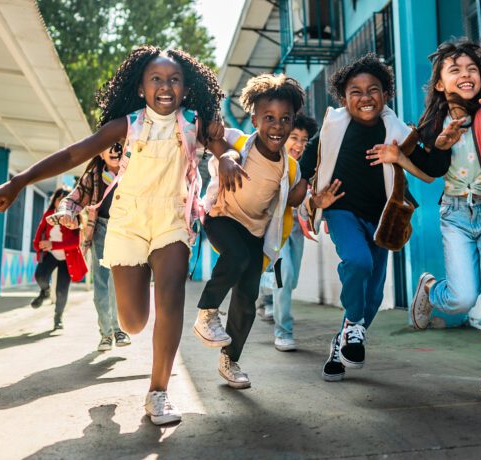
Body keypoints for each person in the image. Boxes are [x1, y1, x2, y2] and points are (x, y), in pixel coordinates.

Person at [0, 46, 230, 426]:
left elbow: (221, 145)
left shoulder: (193, 122)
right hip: (127, 222)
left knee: (171, 298)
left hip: (172, 219)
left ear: (186, 88)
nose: (165, 87)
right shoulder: (126, 125)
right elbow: (72, 155)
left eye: (174, 80)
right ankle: (132, 329)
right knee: (133, 322)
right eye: (156, 79)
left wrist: (225, 156)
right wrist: (19, 181)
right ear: (140, 87)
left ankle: (158, 393)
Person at [376, 39, 481, 405]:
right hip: (456, 214)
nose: (465, 75)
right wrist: (403, 156)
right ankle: (432, 291)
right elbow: (430, 175)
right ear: (441, 83)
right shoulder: (433, 122)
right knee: (462, 298)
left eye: (471, 68)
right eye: (455, 70)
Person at [297, 54, 450, 382]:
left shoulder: (398, 131)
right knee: (358, 261)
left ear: (386, 94)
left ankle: (343, 342)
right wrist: (313, 199)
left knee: (375, 295)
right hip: (341, 210)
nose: (365, 97)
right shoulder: (330, 129)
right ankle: (353, 325)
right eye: (356, 91)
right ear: (343, 97)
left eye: (373, 90)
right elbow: (300, 171)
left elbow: (431, 169)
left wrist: (438, 144)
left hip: (383, 218)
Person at [192, 74, 305, 388]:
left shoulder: (289, 167)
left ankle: (231, 359)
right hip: (221, 217)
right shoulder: (240, 142)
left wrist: (310, 196)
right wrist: (225, 157)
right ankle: (206, 312)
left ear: (293, 121)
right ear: (254, 118)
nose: (277, 126)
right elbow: (217, 139)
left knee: (246, 298)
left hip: (256, 233)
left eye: (285, 119)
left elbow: (296, 196)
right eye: (268, 118)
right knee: (236, 255)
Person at [55, 144, 131, 350]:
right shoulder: (94, 176)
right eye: (109, 147)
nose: (115, 150)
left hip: (126, 233)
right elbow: (73, 199)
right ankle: (106, 334)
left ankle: (119, 330)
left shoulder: (134, 171)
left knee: (119, 285)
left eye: (120, 146)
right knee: (101, 286)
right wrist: (66, 212)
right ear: (100, 152)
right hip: (101, 231)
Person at [269, 113, 318, 352]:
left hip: (297, 229)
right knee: (284, 275)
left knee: (291, 279)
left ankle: (266, 295)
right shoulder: (273, 161)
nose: (299, 145)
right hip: (274, 230)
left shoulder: (309, 166)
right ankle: (283, 331)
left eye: (305, 140)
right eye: (294, 137)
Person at [30, 187, 85, 331]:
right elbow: (39, 232)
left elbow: (75, 243)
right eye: (58, 199)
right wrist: (38, 246)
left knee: (62, 290)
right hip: (51, 255)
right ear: (54, 201)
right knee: (40, 276)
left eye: (64, 199)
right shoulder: (48, 215)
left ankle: (58, 318)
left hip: (68, 259)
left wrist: (52, 244)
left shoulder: (74, 218)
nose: (60, 201)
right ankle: (45, 292)